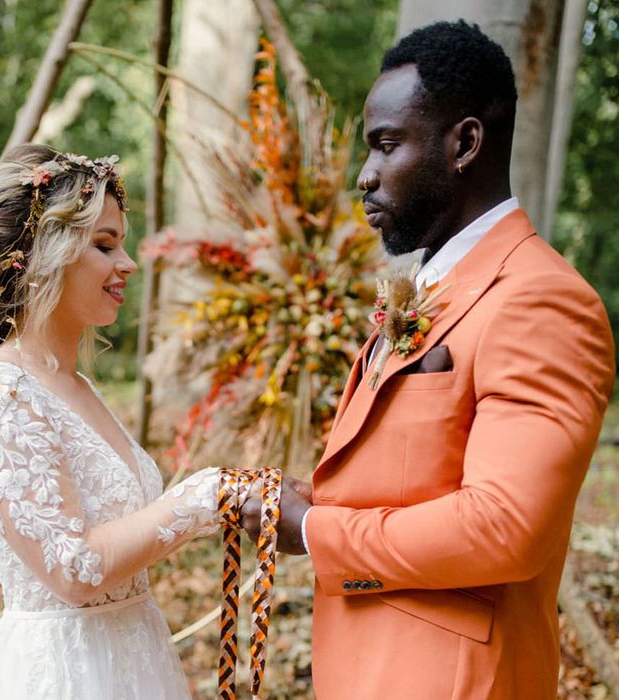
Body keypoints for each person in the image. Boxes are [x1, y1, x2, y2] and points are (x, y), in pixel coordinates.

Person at [242, 20, 616, 699]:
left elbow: (505, 527)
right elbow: (417, 476)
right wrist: (309, 498)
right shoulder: (433, 286)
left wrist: (318, 531)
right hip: (370, 666)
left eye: (387, 145)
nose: (366, 174)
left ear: (465, 143)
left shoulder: (543, 300)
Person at [0, 144, 234, 699]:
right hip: (65, 674)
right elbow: (71, 570)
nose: (127, 264)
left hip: (135, 655)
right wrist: (204, 497)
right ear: (43, 253)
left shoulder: (77, 386)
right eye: (104, 245)